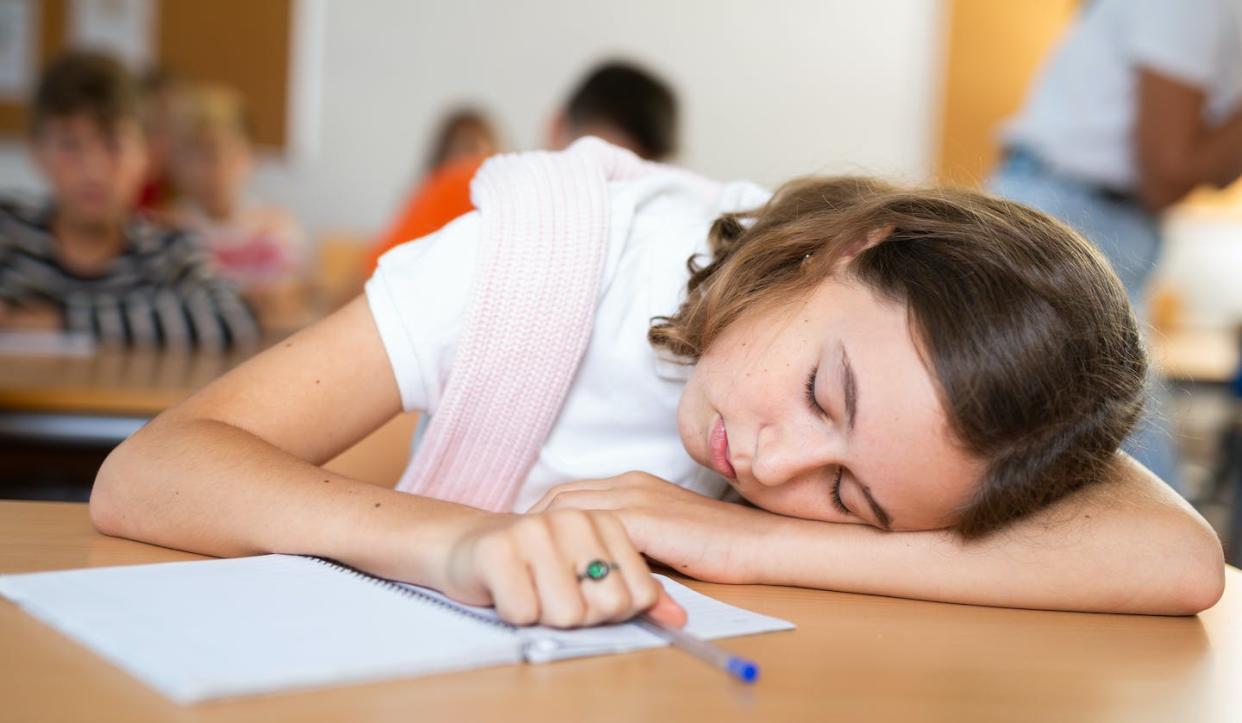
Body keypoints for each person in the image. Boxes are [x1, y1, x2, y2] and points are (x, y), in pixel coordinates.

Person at [92, 140, 1224, 632]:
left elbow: (1174, 559)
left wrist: (744, 542)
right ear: (851, 246)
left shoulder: (945, 417)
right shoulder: (552, 260)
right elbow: (152, 473)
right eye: (825, 397)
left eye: (851, 500)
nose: (774, 464)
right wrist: (458, 546)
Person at [989, 0, 1242, 488]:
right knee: (1151, 483)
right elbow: (1167, 177)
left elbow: (1213, 170)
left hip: (1099, 216)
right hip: (1076, 217)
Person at [0, 52, 258, 348]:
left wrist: (63, 320)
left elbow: (234, 318)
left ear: (149, 153)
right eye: (69, 145)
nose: (93, 171)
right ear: (36, 151)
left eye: (114, 145)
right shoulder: (8, 232)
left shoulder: (167, 251)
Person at [366, 60, 679, 271]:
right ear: (556, 127)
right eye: (592, 166)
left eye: (626, 181)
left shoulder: (652, 249)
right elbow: (364, 296)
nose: (601, 195)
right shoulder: (466, 188)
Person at [163, 84, 308, 329]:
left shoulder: (276, 228)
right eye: (192, 156)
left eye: (217, 155)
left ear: (247, 155)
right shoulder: (169, 229)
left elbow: (294, 300)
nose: (206, 171)